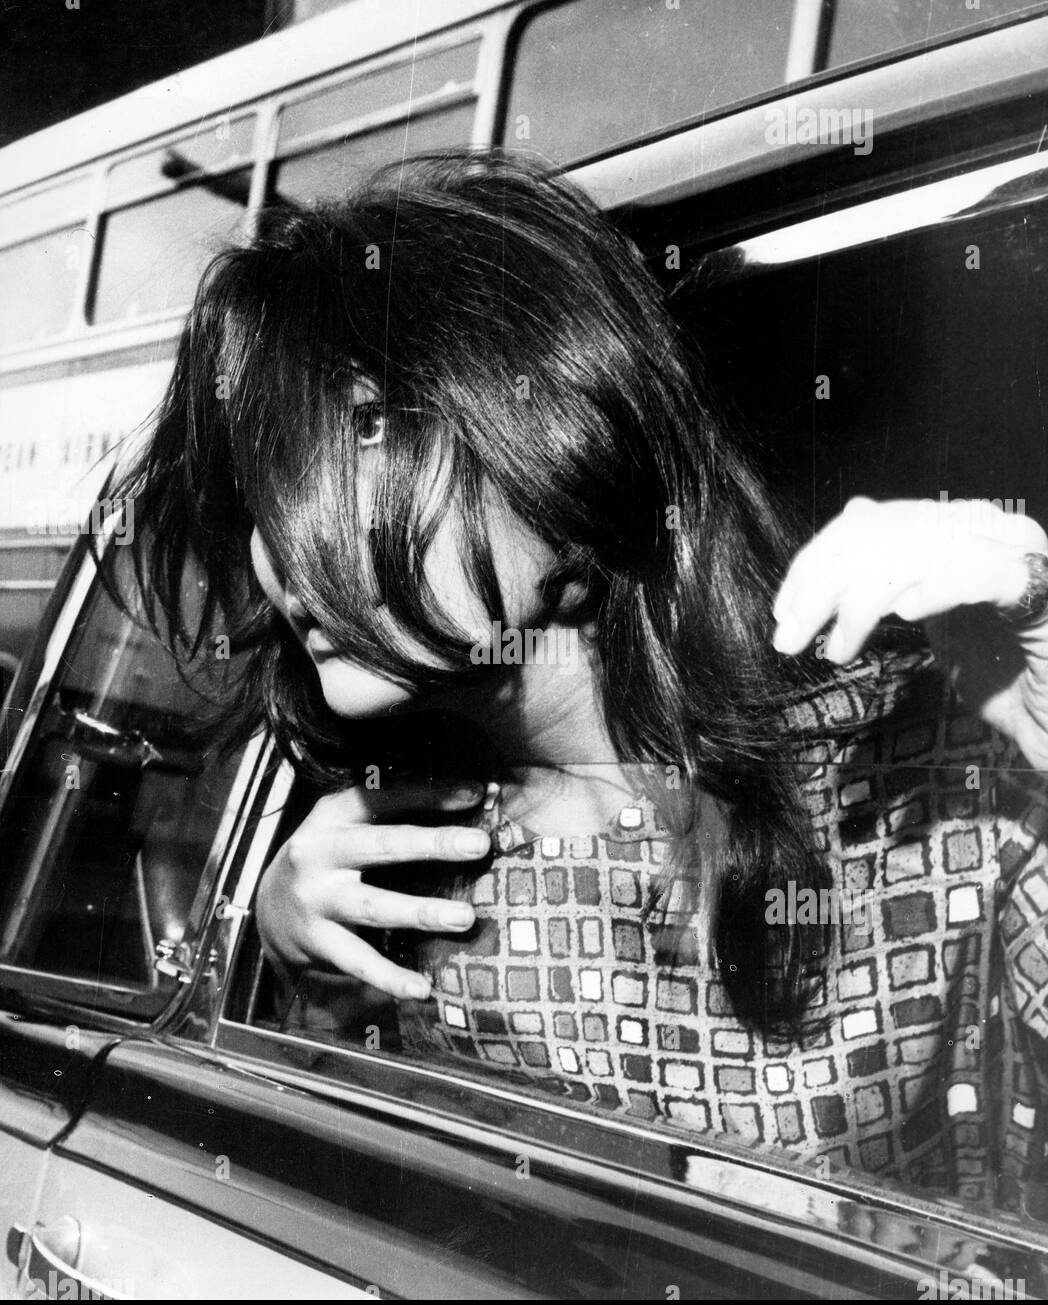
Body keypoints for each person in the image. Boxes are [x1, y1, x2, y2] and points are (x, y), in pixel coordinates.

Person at [121, 151, 1048, 1217]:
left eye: (363, 429)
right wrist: (298, 960)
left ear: (563, 437)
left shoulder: (913, 776)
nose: (280, 549)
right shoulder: (405, 865)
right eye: (262, 487)